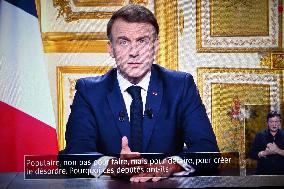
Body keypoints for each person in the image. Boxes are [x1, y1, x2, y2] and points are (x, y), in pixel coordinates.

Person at [63, 4, 219, 182]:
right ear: (110, 48)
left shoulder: (180, 86)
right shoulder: (88, 90)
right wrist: (114, 166)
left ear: (155, 46)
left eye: (142, 41)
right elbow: (75, 154)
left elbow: (207, 151)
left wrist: (169, 165)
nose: (134, 53)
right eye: (123, 42)